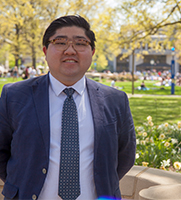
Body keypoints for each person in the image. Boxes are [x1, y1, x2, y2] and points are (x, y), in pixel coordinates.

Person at [0, 15, 136, 200]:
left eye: (80, 43)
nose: (70, 50)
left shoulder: (115, 100)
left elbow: (125, 155)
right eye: (60, 42)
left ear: (92, 51)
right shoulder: (14, 96)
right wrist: (21, 184)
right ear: (45, 51)